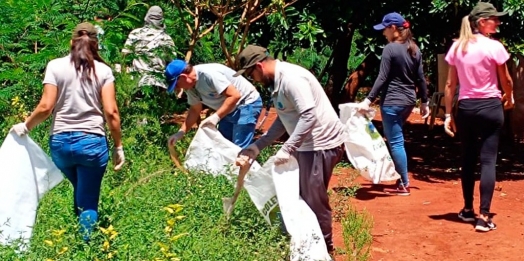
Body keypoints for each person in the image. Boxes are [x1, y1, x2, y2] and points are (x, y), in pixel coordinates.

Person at [10, 22, 125, 241]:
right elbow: (111, 112)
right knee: (89, 197)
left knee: (81, 189)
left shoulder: (55, 66)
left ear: (72, 42)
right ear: (96, 44)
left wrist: (25, 126)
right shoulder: (104, 71)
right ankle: (85, 247)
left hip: (61, 144)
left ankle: (76, 233)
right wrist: (118, 146)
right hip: (92, 143)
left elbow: (46, 107)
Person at [235, 45, 346, 254]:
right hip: (306, 145)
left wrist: (287, 148)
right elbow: (284, 119)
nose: (253, 79)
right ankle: (309, 243)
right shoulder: (276, 82)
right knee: (301, 195)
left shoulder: (291, 79)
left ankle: (324, 248)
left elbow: (309, 116)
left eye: (252, 74)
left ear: (259, 65)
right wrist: (257, 146)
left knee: (313, 199)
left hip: (321, 144)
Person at [443, 2, 514, 232]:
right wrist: (510, 97)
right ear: (482, 22)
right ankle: (484, 216)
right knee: (488, 160)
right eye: (495, 19)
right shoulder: (495, 47)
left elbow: (450, 84)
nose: (499, 22)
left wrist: (446, 114)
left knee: (468, 158)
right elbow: (507, 80)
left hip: (466, 109)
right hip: (491, 107)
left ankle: (466, 209)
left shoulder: (458, 47)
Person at [357, 12, 429, 196]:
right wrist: (425, 102)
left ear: (394, 28)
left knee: (396, 142)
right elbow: (421, 79)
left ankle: (404, 183)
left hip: (392, 102)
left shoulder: (390, 49)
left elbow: (382, 77)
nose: (383, 33)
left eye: (385, 29)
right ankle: (401, 180)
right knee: (397, 140)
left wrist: (368, 100)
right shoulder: (414, 48)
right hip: (407, 102)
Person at [164, 59, 262, 149]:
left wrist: (216, 117)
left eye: (176, 84)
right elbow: (195, 110)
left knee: (239, 149)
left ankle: (247, 167)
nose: (177, 88)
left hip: (246, 103)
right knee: (224, 146)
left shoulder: (209, 74)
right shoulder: (191, 86)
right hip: (228, 109)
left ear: (183, 77)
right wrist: (181, 132)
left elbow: (234, 95)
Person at [121, 6, 176, 90]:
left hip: (137, 82)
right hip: (159, 83)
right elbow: (173, 64)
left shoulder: (136, 33)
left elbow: (124, 56)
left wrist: (124, 78)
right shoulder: (167, 39)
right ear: (161, 19)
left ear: (146, 17)